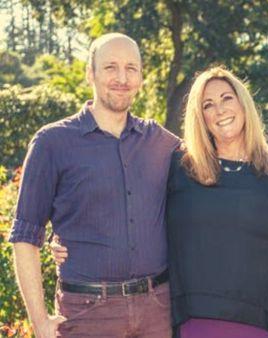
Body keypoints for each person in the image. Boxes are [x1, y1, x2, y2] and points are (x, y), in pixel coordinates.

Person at [10, 33, 179, 338]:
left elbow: (208, 162)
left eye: (131, 68)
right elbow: (24, 236)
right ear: (91, 73)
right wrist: (40, 323)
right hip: (87, 314)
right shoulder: (53, 142)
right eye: (111, 67)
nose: (122, 78)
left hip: (157, 311)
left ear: (141, 77)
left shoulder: (159, 141)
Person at [166, 66, 268, 338]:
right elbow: (138, 212)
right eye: (208, 104)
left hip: (257, 326)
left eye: (226, 98)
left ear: (243, 104)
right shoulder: (180, 169)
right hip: (193, 323)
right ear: (201, 118)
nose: (220, 110)